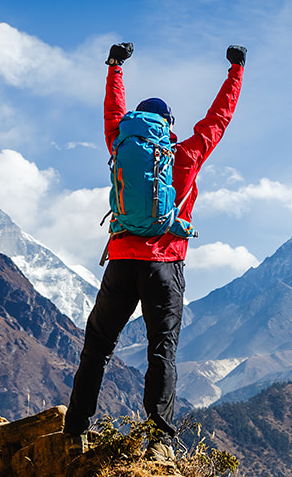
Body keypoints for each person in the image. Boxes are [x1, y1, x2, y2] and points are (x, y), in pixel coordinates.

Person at [63, 41, 246, 460]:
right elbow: (220, 118)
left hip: (122, 262)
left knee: (97, 349)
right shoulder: (185, 155)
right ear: (168, 127)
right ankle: (159, 443)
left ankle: (75, 432)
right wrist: (236, 70)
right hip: (164, 267)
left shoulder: (119, 145)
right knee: (161, 351)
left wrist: (115, 66)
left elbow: (112, 110)